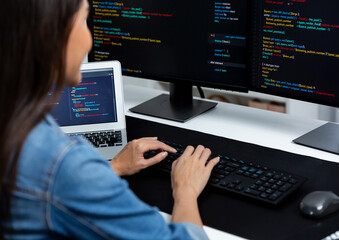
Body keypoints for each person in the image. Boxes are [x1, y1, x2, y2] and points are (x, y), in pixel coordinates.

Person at [0, 0, 220, 239]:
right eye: (84, 20)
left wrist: (111, 167)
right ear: (50, 33)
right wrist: (185, 190)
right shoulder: (63, 162)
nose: (89, 40)